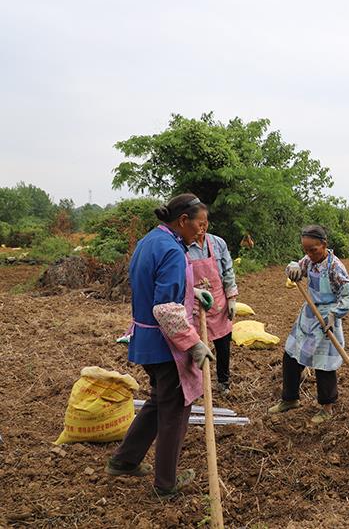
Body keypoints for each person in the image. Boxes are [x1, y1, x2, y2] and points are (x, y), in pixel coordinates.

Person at [105, 194, 215, 497]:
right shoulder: (171, 250)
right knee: (176, 411)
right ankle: (166, 484)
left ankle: (124, 461)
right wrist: (193, 344)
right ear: (183, 221)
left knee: (158, 402)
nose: (202, 231)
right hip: (166, 344)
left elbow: (159, 291)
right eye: (200, 225)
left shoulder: (151, 241)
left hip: (147, 340)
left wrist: (193, 296)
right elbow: (165, 307)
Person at [270, 225, 349, 424]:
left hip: (327, 318)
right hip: (309, 316)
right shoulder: (308, 261)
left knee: (324, 363)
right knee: (292, 354)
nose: (309, 254)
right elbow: (296, 269)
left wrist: (335, 315)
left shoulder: (335, 267)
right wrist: (291, 268)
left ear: (324, 245)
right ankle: (290, 399)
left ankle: (326, 407)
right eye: (305, 250)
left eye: (313, 250)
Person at [186, 218, 238, 395]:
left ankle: (223, 381)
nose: (201, 227)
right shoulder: (183, 246)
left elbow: (228, 270)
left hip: (218, 302)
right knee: (195, 345)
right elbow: (180, 275)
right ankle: (196, 385)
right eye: (197, 222)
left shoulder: (217, 243)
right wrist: (193, 291)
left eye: (205, 222)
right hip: (195, 304)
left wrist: (231, 297)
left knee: (223, 344)